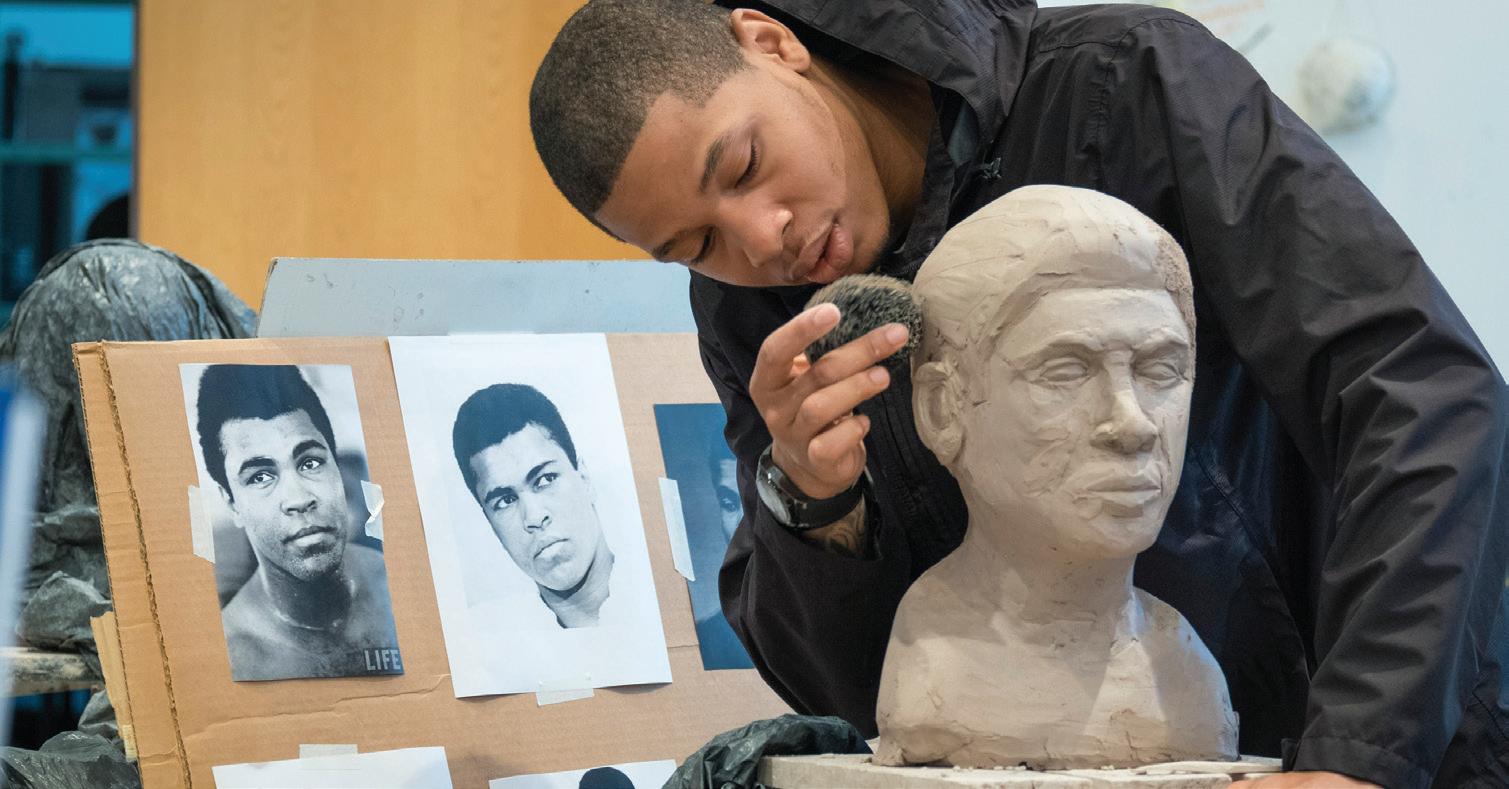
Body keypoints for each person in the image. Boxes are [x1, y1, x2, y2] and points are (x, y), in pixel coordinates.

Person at [528, 1, 1509, 787]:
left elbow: (1422, 393)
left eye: (745, 165)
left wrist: (1358, 753)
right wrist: (813, 504)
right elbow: (862, 703)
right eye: (696, 244)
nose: (762, 238)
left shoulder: (1124, 88)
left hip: (1375, 735)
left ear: (772, 41)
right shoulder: (753, 308)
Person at [197, 364, 401, 680]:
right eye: (260, 477)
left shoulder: (398, 585)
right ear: (232, 503)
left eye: (311, 462)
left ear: (338, 468)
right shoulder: (233, 657)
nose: (299, 498)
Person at [452, 383, 616, 628]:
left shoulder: (657, 588)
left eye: (545, 479)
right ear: (490, 522)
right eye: (505, 501)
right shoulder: (486, 635)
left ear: (584, 478)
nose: (534, 517)